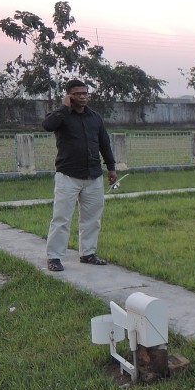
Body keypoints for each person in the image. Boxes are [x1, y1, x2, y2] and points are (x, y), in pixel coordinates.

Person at [42, 79, 118, 272]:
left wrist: (111, 167)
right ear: (69, 95)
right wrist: (63, 108)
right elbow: (47, 125)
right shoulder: (61, 116)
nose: (82, 97)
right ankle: (55, 258)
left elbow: (104, 143)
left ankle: (88, 253)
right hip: (68, 175)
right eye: (77, 94)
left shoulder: (95, 118)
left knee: (92, 218)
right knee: (61, 219)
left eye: (85, 93)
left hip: (93, 175)